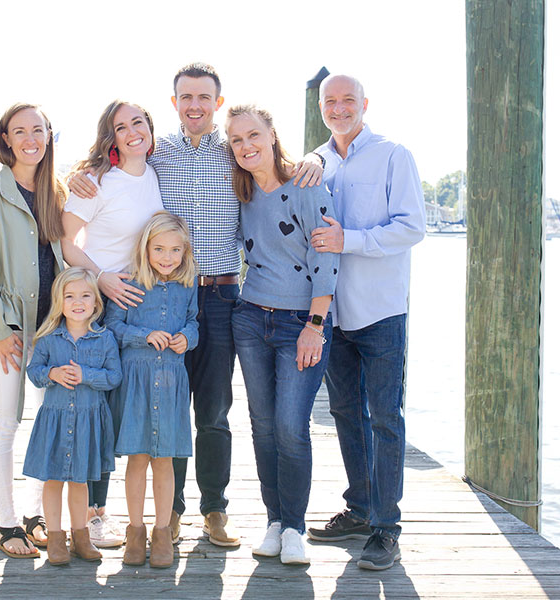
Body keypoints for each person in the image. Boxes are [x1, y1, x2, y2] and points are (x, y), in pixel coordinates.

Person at [68, 63, 324, 548]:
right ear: (174, 103)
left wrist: (317, 159)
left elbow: (277, 159)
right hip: (165, 293)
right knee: (164, 404)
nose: (195, 106)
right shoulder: (158, 149)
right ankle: (171, 514)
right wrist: (81, 175)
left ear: (217, 103)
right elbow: (116, 156)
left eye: (204, 97)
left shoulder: (236, 151)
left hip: (226, 296)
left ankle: (214, 510)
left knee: (213, 409)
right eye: (186, 97)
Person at [306, 74, 426, 571]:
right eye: (330, 102)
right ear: (320, 108)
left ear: (364, 104)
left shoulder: (394, 155)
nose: (339, 109)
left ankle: (385, 528)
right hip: (333, 313)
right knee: (345, 415)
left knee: (386, 421)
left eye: (347, 100)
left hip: (379, 311)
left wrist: (348, 240)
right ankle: (358, 510)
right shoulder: (317, 160)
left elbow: (411, 227)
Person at [224, 104, 339, 566]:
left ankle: (294, 526)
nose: (246, 146)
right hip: (250, 317)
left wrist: (315, 325)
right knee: (263, 425)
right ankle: (274, 520)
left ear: (272, 135)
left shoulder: (308, 184)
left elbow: (327, 257)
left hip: (301, 323)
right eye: (236, 141)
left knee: (293, 427)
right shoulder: (242, 191)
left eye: (254, 135)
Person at [60, 99, 165, 547]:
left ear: (149, 128)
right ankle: (92, 515)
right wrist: (100, 279)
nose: (131, 132)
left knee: (127, 412)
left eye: (138, 122)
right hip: (101, 307)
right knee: (98, 410)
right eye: (121, 127)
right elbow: (66, 242)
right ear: (112, 137)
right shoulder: (98, 181)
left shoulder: (158, 173)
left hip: (138, 307)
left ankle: (152, 517)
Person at [0, 102, 68, 558]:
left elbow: (66, 256)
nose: (30, 138)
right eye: (20, 131)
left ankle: (35, 515)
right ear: (5, 138)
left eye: (38, 130)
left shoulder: (56, 190)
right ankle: (8, 524)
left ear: (49, 135)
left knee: (46, 424)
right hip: (7, 327)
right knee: (6, 423)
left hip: (51, 327)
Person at [104, 211, 200, 568]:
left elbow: (193, 323)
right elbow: (113, 326)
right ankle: (135, 530)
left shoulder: (187, 286)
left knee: (165, 460)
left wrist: (186, 338)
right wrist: (144, 336)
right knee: (138, 458)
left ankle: (163, 534)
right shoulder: (129, 282)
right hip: (136, 381)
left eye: (175, 250)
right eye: (159, 249)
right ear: (145, 248)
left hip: (172, 381)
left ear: (185, 252)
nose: (167, 257)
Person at [23, 267, 122, 565]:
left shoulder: (104, 339)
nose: (77, 302)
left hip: (88, 422)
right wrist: (51, 373)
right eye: (69, 296)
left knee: (80, 482)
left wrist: (86, 375)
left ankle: (80, 537)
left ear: (96, 303)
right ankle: (55, 537)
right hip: (55, 420)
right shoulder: (50, 338)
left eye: (85, 296)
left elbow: (114, 377)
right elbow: (34, 372)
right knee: (53, 479)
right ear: (59, 301)